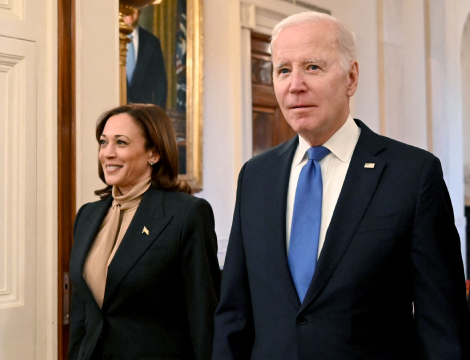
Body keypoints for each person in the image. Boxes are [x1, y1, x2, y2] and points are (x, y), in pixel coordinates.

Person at [212, 11, 470, 360]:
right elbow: (234, 313)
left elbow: (441, 322)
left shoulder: (412, 174)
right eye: (283, 70)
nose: (295, 84)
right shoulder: (256, 176)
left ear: (351, 78)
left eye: (313, 67)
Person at [68, 104, 220, 360]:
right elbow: (83, 311)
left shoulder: (187, 214)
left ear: (154, 153)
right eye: (104, 143)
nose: (108, 153)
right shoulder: (87, 215)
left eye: (121, 143)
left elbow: (204, 316)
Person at [124, 10, 168, 108]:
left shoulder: (152, 42)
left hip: (142, 114)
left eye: (133, 5)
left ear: (140, 10)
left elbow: (160, 83)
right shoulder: (110, 39)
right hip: (115, 112)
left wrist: (157, 117)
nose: (129, 9)